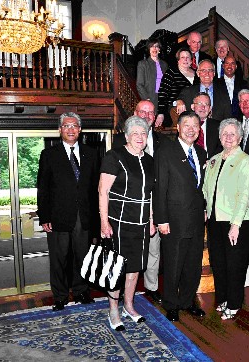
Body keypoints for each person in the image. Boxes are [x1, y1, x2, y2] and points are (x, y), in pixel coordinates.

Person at [37, 112, 98, 311]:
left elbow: (95, 188)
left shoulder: (91, 153)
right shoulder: (49, 155)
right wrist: (44, 216)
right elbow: (43, 188)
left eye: (74, 126)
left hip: (84, 216)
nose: (70, 129)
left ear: (80, 130)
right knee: (59, 258)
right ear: (60, 130)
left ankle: (81, 291)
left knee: (83, 257)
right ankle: (60, 296)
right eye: (66, 126)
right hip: (57, 217)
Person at [98, 116, 154, 331]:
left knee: (135, 267)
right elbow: (103, 191)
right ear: (127, 136)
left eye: (144, 133)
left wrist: (150, 221)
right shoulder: (115, 156)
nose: (140, 137)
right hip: (118, 223)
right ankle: (113, 308)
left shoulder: (149, 161)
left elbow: (149, 195)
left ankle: (129, 306)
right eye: (136, 133)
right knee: (117, 268)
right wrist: (104, 222)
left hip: (141, 224)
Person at [154, 111, 208, 322]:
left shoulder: (202, 154)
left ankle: (187, 302)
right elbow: (159, 190)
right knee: (173, 265)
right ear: (178, 127)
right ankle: (171, 304)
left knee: (193, 265)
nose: (191, 129)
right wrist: (161, 219)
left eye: (195, 125)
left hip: (196, 220)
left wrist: (204, 209)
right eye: (187, 124)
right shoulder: (165, 151)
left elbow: (201, 188)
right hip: (173, 221)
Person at [202, 118, 249, 320]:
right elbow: (207, 189)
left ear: (240, 138)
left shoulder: (245, 160)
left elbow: (245, 194)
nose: (228, 137)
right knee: (219, 262)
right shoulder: (214, 160)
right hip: (215, 220)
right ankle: (223, 299)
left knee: (235, 264)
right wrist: (206, 209)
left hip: (237, 221)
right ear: (220, 136)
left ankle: (234, 303)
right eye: (225, 133)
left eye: (233, 134)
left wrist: (236, 224)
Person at [112, 100, 164, 304]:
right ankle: (119, 299)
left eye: (151, 112)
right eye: (143, 111)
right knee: (123, 258)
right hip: (124, 213)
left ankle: (151, 288)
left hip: (150, 208)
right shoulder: (117, 144)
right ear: (135, 113)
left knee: (153, 252)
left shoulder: (163, 142)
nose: (147, 115)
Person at [157, 48, 196, 127]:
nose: (185, 59)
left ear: (191, 60)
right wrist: (160, 114)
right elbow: (162, 94)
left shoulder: (197, 74)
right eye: (182, 57)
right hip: (174, 112)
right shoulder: (171, 73)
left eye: (187, 57)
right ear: (178, 60)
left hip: (194, 111)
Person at [136, 38, 169, 116]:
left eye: (157, 46)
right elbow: (139, 84)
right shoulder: (143, 64)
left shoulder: (164, 64)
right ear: (149, 49)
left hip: (162, 98)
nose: (154, 48)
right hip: (150, 98)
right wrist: (147, 99)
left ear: (159, 49)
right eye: (152, 46)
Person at [190, 92, 222, 158]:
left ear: (210, 108)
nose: (203, 107)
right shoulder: (185, 126)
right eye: (200, 104)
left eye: (206, 104)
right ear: (192, 107)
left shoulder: (219, 126)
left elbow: (222, 150)